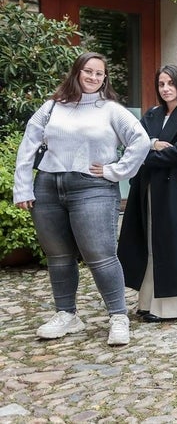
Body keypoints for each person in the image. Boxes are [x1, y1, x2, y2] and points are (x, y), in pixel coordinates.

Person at [13, 52, 150, 345]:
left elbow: (140, 140)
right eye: (88, 71)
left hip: (93, 188)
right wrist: (23, 188)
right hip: (48, 187)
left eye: (100, 74)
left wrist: (116, 170)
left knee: (100, 255)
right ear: (76, 72)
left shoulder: (111, 109)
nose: (93, 77)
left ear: (105, 78)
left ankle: (118, 316)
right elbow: (29, 144)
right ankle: (67, 315)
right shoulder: (52, 107)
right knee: (58, 256)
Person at [118, 65, 177, 322]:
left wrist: (148, 152)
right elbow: (134, 145)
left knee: (170, 243)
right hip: (147, 188)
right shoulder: (152, 114)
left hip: (174, 191)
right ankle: (147, 301)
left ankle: (170, 308)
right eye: (161, 84)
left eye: (171, 83)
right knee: (150, 241)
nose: (166, 89)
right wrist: (153, 145)